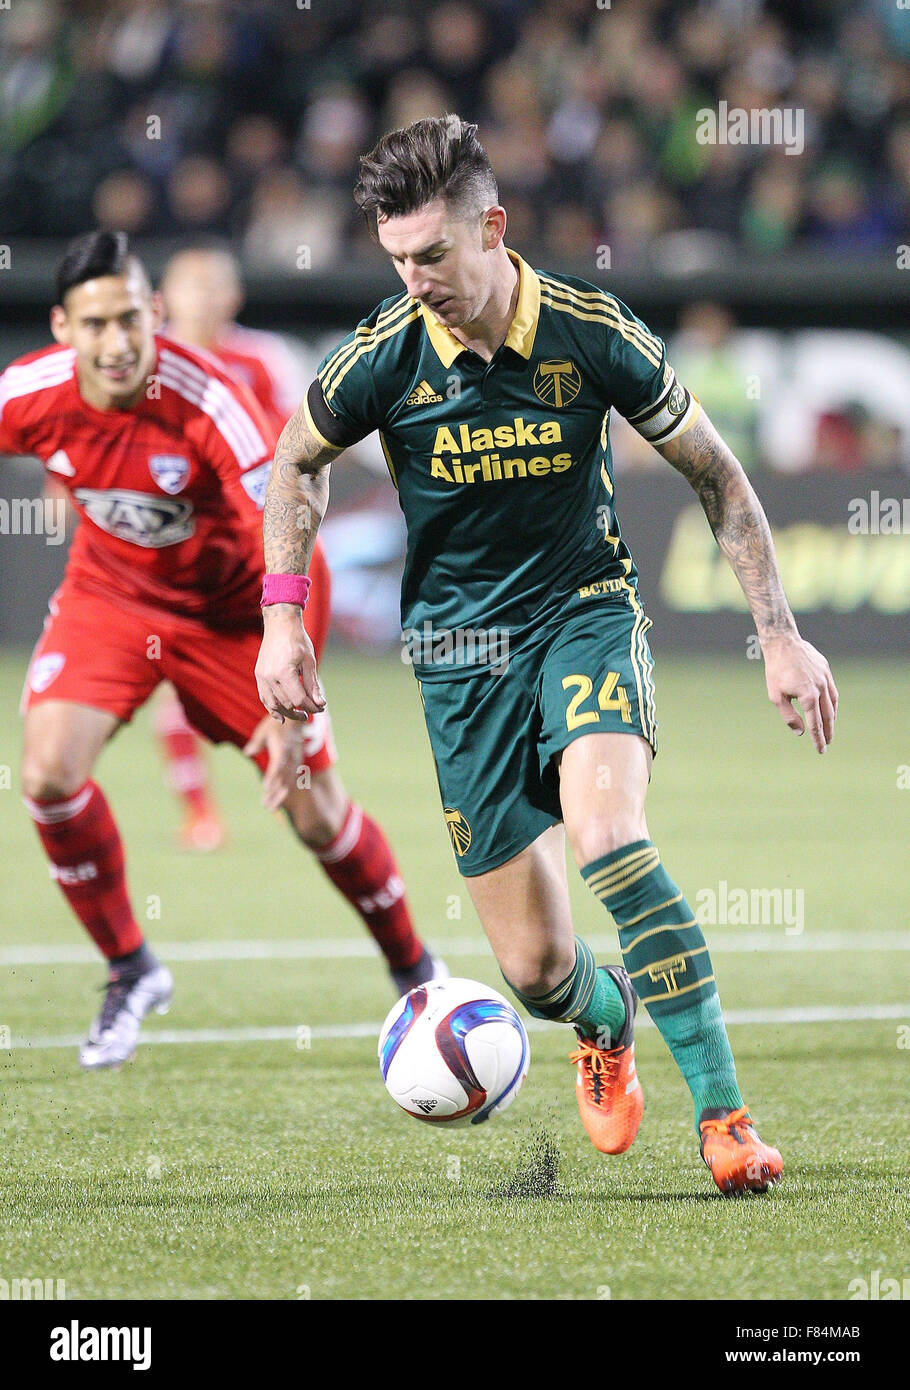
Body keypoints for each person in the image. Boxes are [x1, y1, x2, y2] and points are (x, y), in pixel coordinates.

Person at [255, 116, 839, 1196]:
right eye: (396, 258)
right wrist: (281, 616)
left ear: (492, 225)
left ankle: (725, 1118)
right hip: (454, 653)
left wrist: (777, 634)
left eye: (431, 254)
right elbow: (294, 463)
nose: (415, 278)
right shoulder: (384, 353)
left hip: (585, 610)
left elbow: (717, 475)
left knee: (610, 836)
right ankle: (604, 1019)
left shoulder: (587, 328)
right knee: (534, 971)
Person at [3, 229, 445, 1071]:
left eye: (130, 319)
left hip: (240, 616)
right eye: (94, 325)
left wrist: (286, 683)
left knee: (314, 810)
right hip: (114, 599)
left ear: (154, 313)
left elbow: (296, 539)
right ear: (64, 330)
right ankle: (132, 968)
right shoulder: (28, 393)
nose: (116, 342)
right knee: (47, 774)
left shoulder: (208, 399)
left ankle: (414, 968)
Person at [150, 245, 314, 851]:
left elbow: (303, 442)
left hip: (258, 546)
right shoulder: (143, 362)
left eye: (215, 283)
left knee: (282, 668)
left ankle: (295, 783)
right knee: (174, 676)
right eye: (191, 283)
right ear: (163, 296)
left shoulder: (266, 358)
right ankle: (199, 812)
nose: (204, 295)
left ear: (234, 295)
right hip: (179, 546)